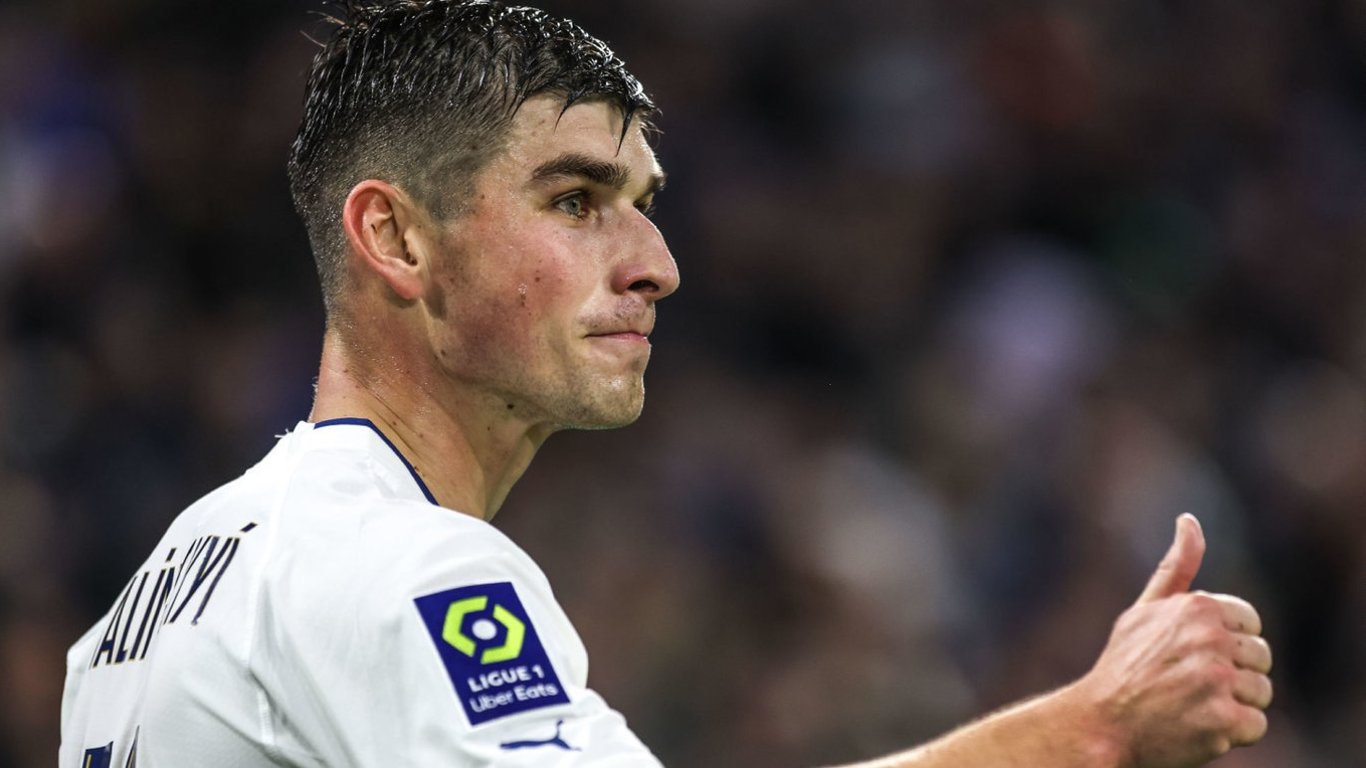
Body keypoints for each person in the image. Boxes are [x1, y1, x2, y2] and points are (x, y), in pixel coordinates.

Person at [59, 2, 1273, 766]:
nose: (656, 264)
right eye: (575, 200)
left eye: (643, 205)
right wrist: (1094, 727)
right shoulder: (405, 569)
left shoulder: (150, 599)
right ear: (398, 236)